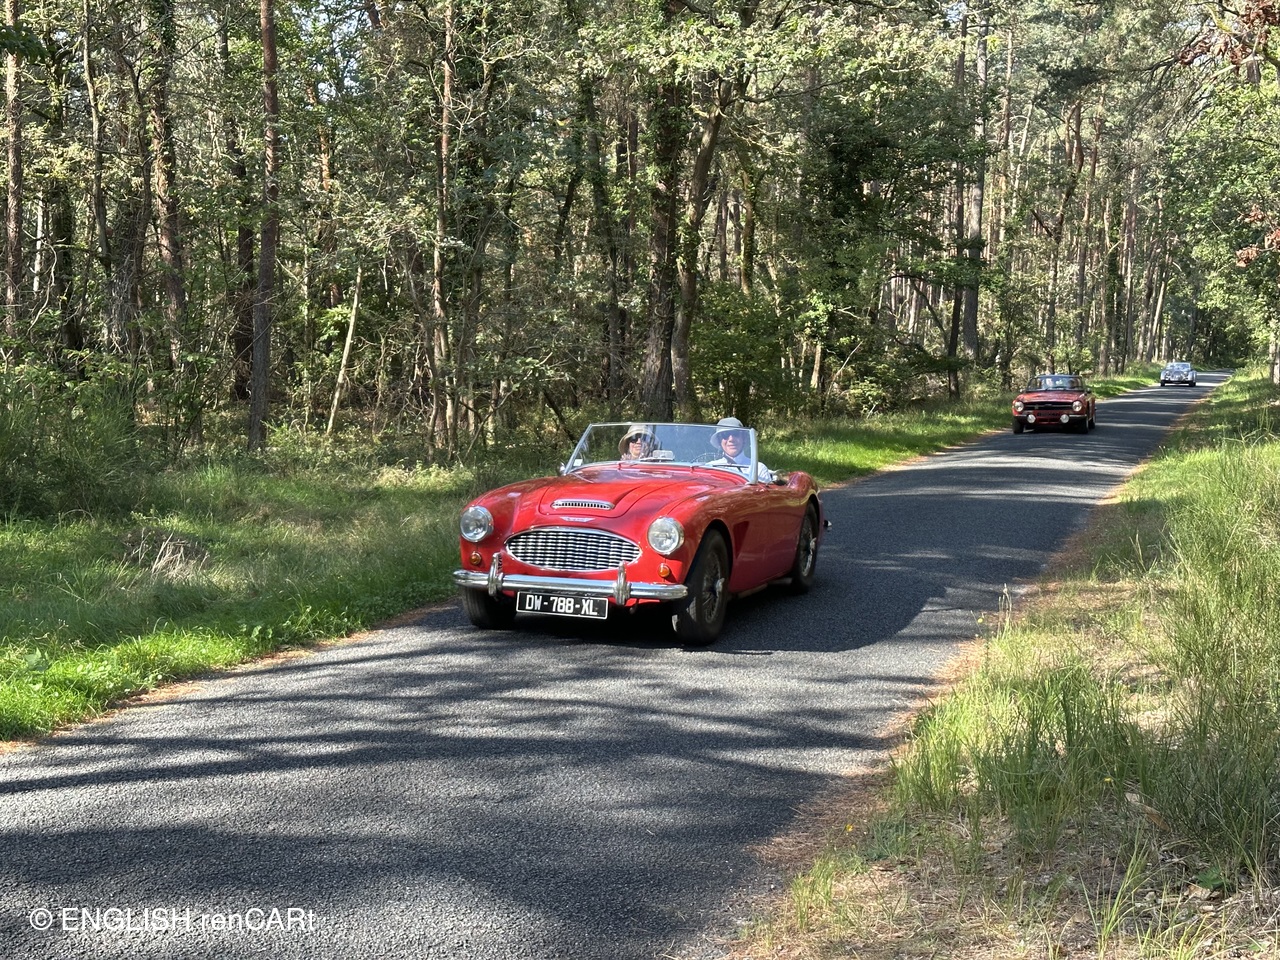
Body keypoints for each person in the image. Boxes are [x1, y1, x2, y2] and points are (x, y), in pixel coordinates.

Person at [708, 417, 774, 482]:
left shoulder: (758, 469)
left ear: (743, 438)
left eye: (735, 433)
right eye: (725, 435)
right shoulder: (710, 468)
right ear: (719, 440)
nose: (731, 439)